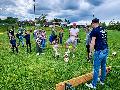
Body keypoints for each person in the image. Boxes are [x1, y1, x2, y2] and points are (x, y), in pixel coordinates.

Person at [85, 18, 109, 89]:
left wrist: (90, 52)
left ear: (93, 23)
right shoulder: (103, 29)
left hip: (99, 51)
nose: (91, 25)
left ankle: (93, 85)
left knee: (96, 69)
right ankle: (102, 81)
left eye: (91, 24)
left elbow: (92, 42)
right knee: (103, 66)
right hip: (105, 49)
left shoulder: (94, 30)